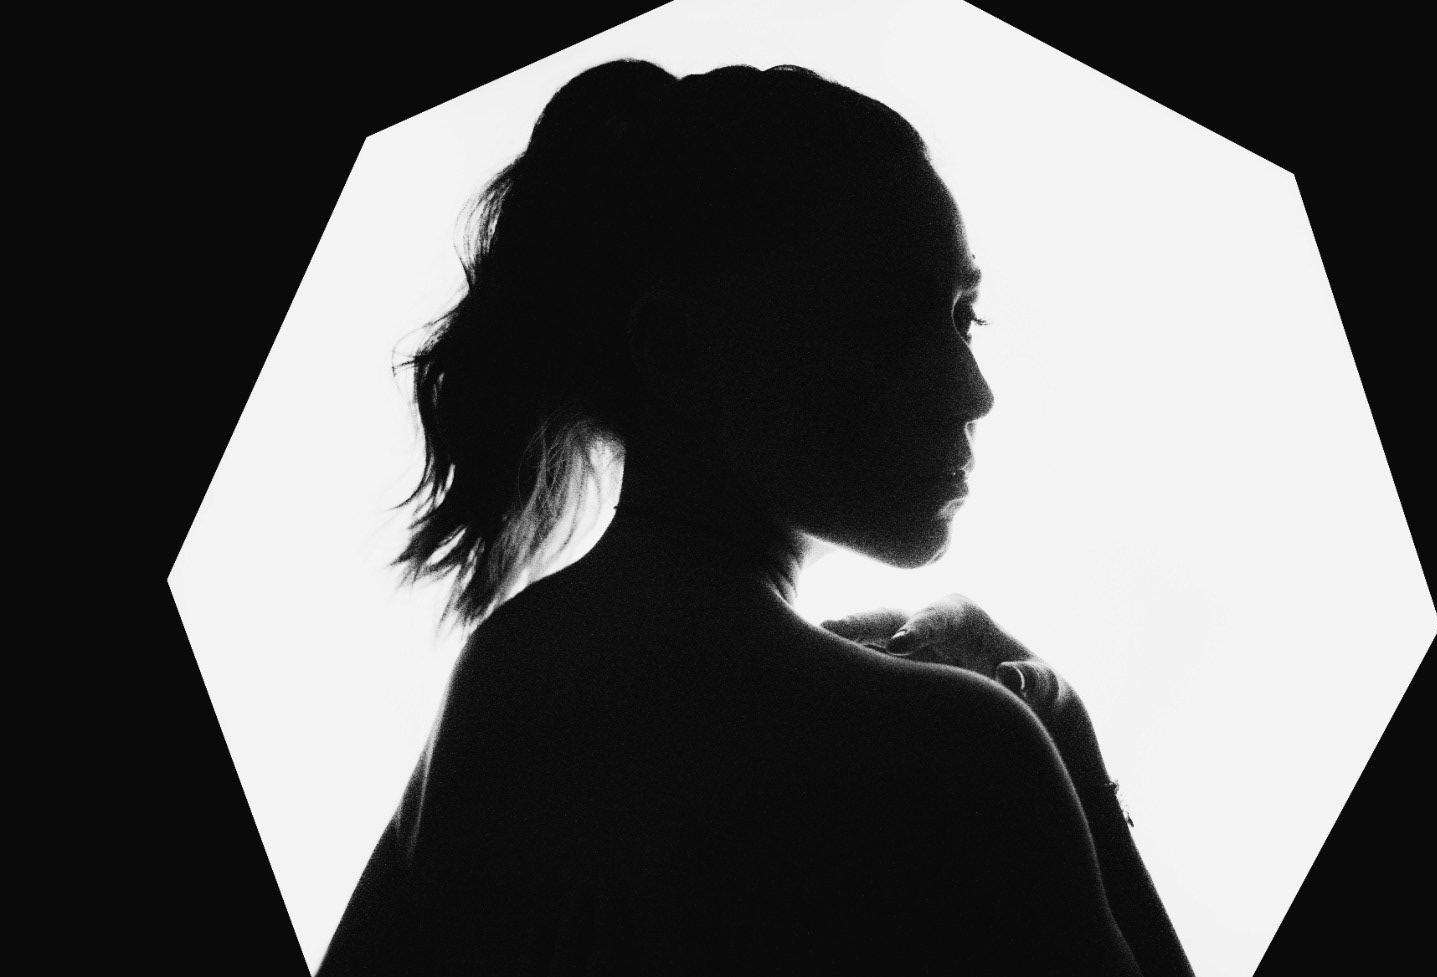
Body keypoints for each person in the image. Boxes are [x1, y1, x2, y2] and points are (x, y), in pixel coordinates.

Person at [318, 59, 1193, 976]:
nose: (971, 392)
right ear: (679, 357)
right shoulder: (957, 751)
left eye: (963, 318)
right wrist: (1062, 726)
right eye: (885, 320)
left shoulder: (501, 679)